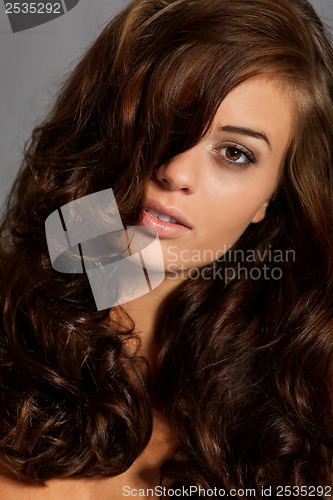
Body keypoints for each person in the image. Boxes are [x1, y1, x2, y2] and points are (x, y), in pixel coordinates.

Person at [0, 0, 332, 497]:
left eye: (234, 153)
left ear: (272, 197)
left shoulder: (305, 408)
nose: (176, 172)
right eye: (164, 119)